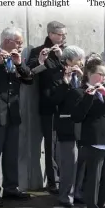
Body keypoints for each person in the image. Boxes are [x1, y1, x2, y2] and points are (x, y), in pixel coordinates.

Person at [0, 27, 32, 208]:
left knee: (11, 154)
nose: (20, 45)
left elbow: (29, 79)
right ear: (8, 41)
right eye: (18, 42)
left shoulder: (18, 59)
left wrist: (18, 64)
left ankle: (11, 187)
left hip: (13, 113)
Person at [71, 58, 105, 208]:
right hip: (93, 141)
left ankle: (101, 206)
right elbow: (77, 116)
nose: (103, 78)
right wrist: (88, 97)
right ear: (89, 74)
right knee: (93, 179)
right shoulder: (79, 92)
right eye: (100, 74)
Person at [27, 21, 67, 194]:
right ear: (51, 34)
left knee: (67, 143)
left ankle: (67, 177)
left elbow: (77, 69)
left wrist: (61, 57)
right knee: (50, 143)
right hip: (49, 103)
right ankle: (53, 180)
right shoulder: (38, 51)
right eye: (60, 34)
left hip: (67, 103)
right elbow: (28, 72)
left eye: (65, 34)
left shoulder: (67, 51)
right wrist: (41, 60)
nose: (63, 37)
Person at [48, 45, 86, 207]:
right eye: (79, 60)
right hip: (66, 124)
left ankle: (78, 192)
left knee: (82, 162)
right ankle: (65, 196)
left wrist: (83, 79)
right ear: (69, 60)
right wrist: (65, 82)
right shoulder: (57, 75)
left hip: (83, 125)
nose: (81, 63)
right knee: (69, 162)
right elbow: (54, 100)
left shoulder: (83, 76)